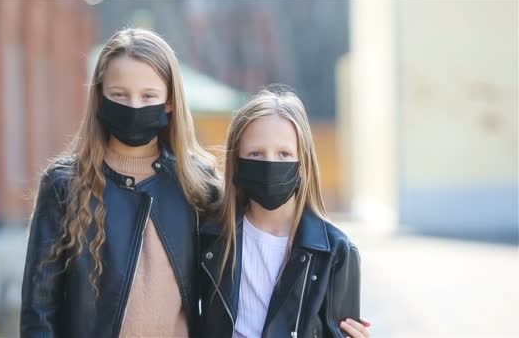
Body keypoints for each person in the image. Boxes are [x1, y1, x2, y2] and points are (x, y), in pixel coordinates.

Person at [20, 28, 219, 338]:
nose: (134, 106)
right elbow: (39, 311)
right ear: (100, 97)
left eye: (148, 95)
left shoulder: (198, 183)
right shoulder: (64, 185)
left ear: (169, 102)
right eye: (120, 95)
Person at [199, 87, 370, 338]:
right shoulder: (210, 236)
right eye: (256, 153)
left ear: (303, 163)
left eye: (284, 154)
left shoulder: (336, 252)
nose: (270, 164)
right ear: (237, 162)